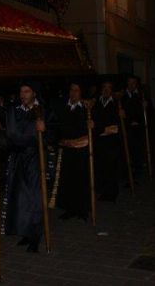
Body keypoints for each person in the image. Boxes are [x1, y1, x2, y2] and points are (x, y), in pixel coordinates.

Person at [0, 81, 54, 253]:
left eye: (27, 91)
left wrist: (45, 129)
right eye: (21, 91)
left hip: (36, 158)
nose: (23, 95)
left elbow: (53, 135)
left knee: (35, 199)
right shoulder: (14, 110)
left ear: (34, 93)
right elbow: (8, 133)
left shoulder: (43, 110)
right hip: (18, 158)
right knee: (20, 198)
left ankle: (35, 236)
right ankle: (25, 232)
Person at [55, 82, 90, 221]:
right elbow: (58, 126)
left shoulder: (86, 108)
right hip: (67, 149)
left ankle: (83, 209)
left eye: (77, 90)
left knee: (81, 179)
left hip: (81, 150)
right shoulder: (63, 107)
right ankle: (70, 209)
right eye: (71, 90)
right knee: (68, 179)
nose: (73, 93)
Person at [92, 80, 121, 201]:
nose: (106, 90)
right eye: (104, 87)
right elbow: (93, 122)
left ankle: (111, 193)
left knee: (111, 167)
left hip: (111, 142)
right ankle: (100, 189)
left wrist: (104, 129)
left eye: (109, 88)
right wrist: (102, 129)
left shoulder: (116, 104)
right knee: (99, 166)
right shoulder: (94, 103)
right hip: (98, 140)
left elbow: (116, 126)